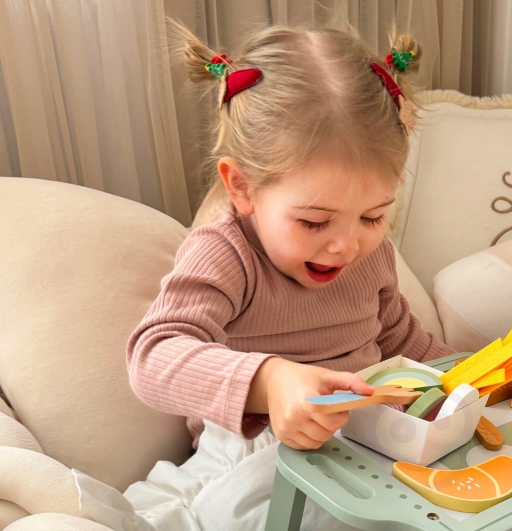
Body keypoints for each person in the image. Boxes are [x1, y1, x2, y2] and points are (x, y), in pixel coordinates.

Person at [127, 22, 454, 451]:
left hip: (362, 440)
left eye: (373, 217)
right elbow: (152, 358)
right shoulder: (226, 255)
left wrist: (471, 379)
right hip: (252, 451)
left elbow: (399, 338)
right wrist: (270, 382)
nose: (347, 246)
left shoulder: (370, 256)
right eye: (314, 222)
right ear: (243, 187)